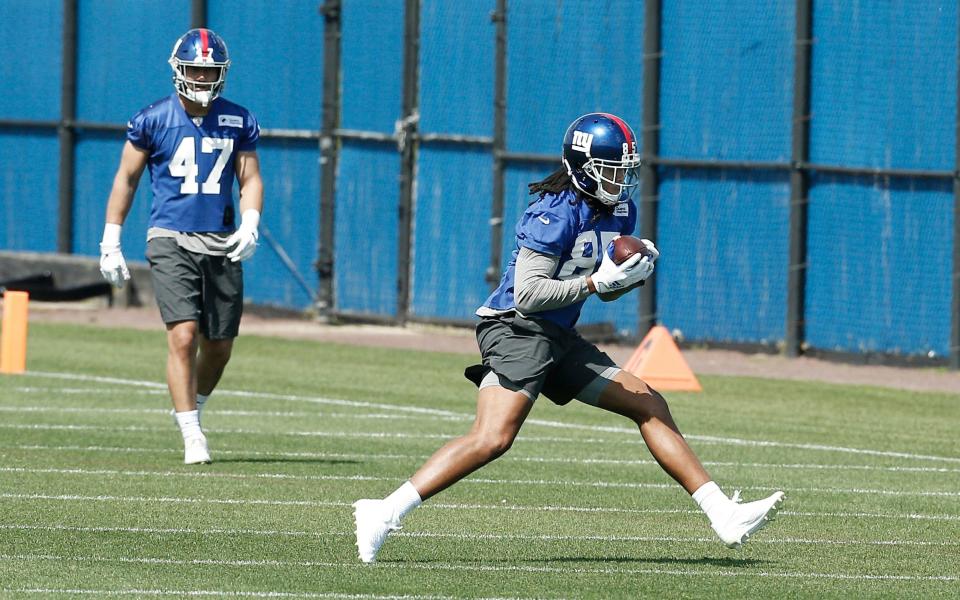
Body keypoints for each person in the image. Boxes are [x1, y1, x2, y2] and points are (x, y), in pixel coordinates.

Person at [352, 113, 784, 562]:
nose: (622, 181)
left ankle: (722, 514)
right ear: (583, 167)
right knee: (493, 437)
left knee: (648, 402)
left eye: (626, 170)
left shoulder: (619, 210)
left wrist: (628, 277)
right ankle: (382, 512)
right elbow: (530, 294)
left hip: (558, 334)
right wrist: (599, 282)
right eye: (612, 170)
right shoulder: (552, 212)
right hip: (515, 329)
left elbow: (604, 289)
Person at [98, 28, 263, 465]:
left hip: (220, 240)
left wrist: (250, 220)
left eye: (209, 72)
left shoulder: (237, 119)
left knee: (220, 345)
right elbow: (126, 179)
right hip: (170, 237)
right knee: (184, 334)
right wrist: (111, 239)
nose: (202, 79)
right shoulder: (152, 119)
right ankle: (192, 432)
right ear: (177, 70)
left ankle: (195, 406)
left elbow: (249, 178)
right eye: (194, 70)